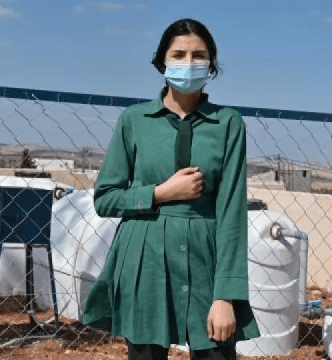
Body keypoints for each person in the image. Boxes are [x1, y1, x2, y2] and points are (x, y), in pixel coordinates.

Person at [82, 18, 261, 360]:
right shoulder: (133, 121)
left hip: (207, 260)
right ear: (162, 61)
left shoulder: (228, 124)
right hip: (142, 261)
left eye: (199, 54)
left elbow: (232, 214)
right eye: (179, 54)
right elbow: (105, 198)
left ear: (211, 63)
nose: (189, 62)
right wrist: (161, 193)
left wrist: (226, 295)